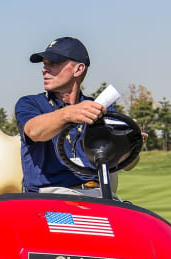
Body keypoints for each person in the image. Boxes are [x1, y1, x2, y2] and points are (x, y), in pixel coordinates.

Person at [14, 37, 139, 196]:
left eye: (53, 63)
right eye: (44, 64)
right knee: (63, 221)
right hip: (49, 196)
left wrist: (131, 144)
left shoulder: (99, 108)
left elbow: (126, 164)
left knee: (128, 220)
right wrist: (67, 114)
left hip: (96, 194)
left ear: (78, 69)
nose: (44, 69)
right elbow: (33, 131)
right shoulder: (30, 103)